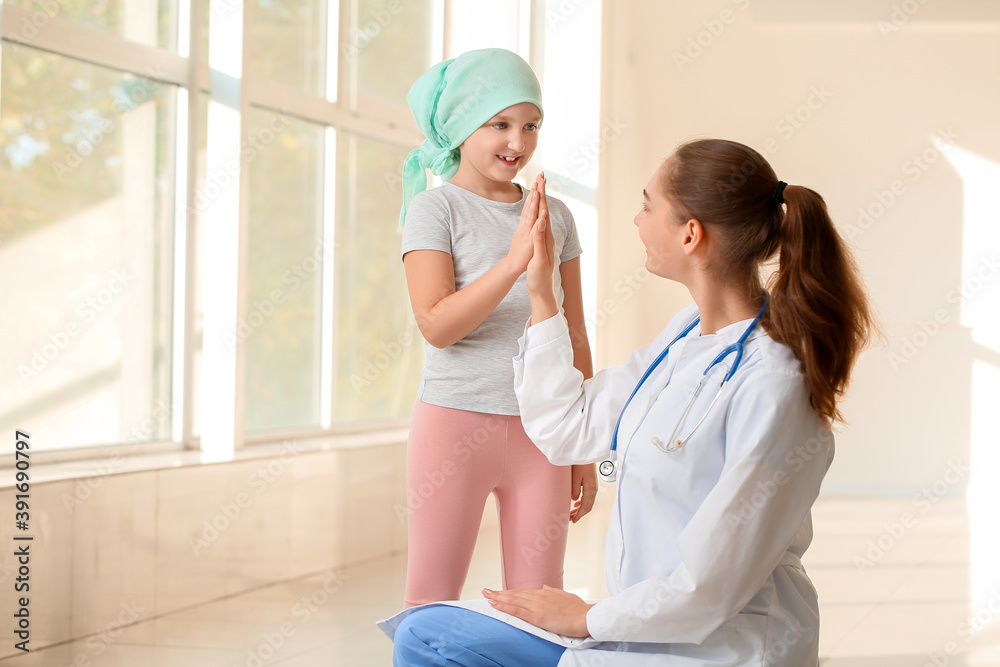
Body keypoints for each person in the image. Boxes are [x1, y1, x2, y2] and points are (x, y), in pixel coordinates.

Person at [384, 138, 876, 666]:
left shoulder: (772, 381)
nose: (637, 222)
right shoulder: (685, 338)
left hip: (724, 647)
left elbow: (712, 584)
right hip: (645, 626)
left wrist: (586, 616)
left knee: (431, 641)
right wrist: (543, 295)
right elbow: (567, 425)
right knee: (427, 628)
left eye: (647, 206)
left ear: (690, 235)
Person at [398, 48, 598, 609]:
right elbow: (437, 326)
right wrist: (513, 262)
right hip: (454, 425)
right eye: (500, 125)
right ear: (462, 126)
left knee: (542, 603)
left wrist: (584, 442)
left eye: (530, 125)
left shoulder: (556, 215)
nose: (519, 143)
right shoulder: (435, 212)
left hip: (545, 431)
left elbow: (574, 333)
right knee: (430, 601)